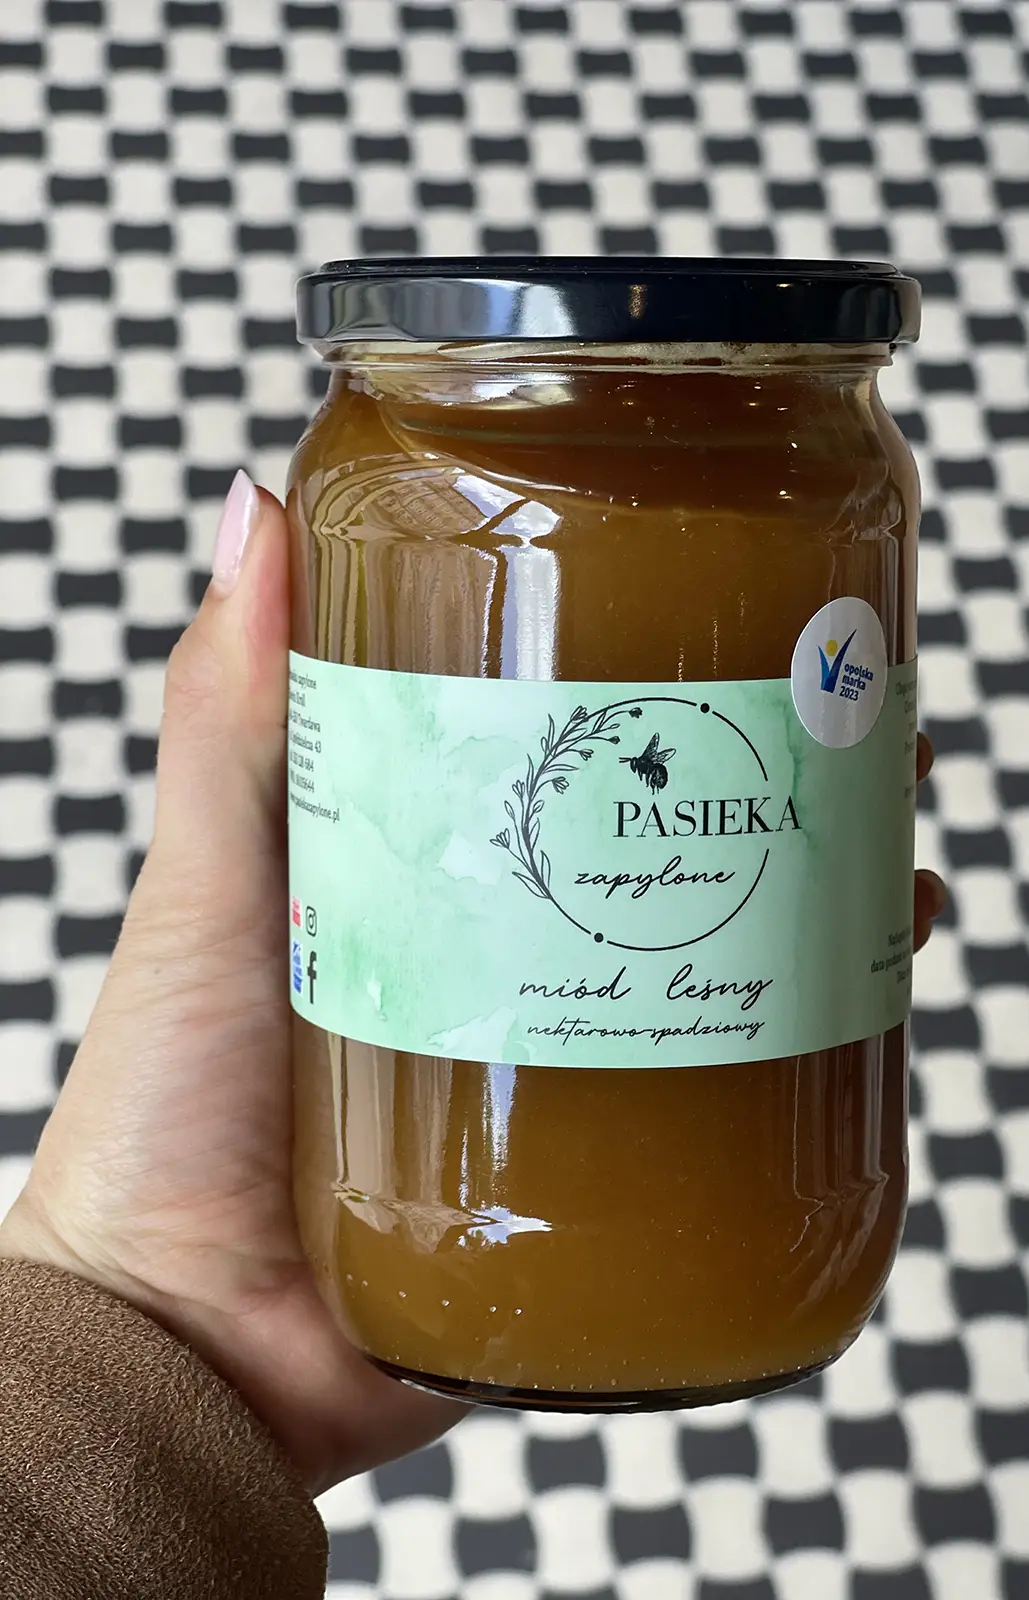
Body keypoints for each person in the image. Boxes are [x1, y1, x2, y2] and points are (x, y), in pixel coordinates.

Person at [0, 476, 947, 1599]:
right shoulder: (403, 462)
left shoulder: (817, 461)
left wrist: (136, 1348)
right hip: (376, 1276)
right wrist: (146, 1328)